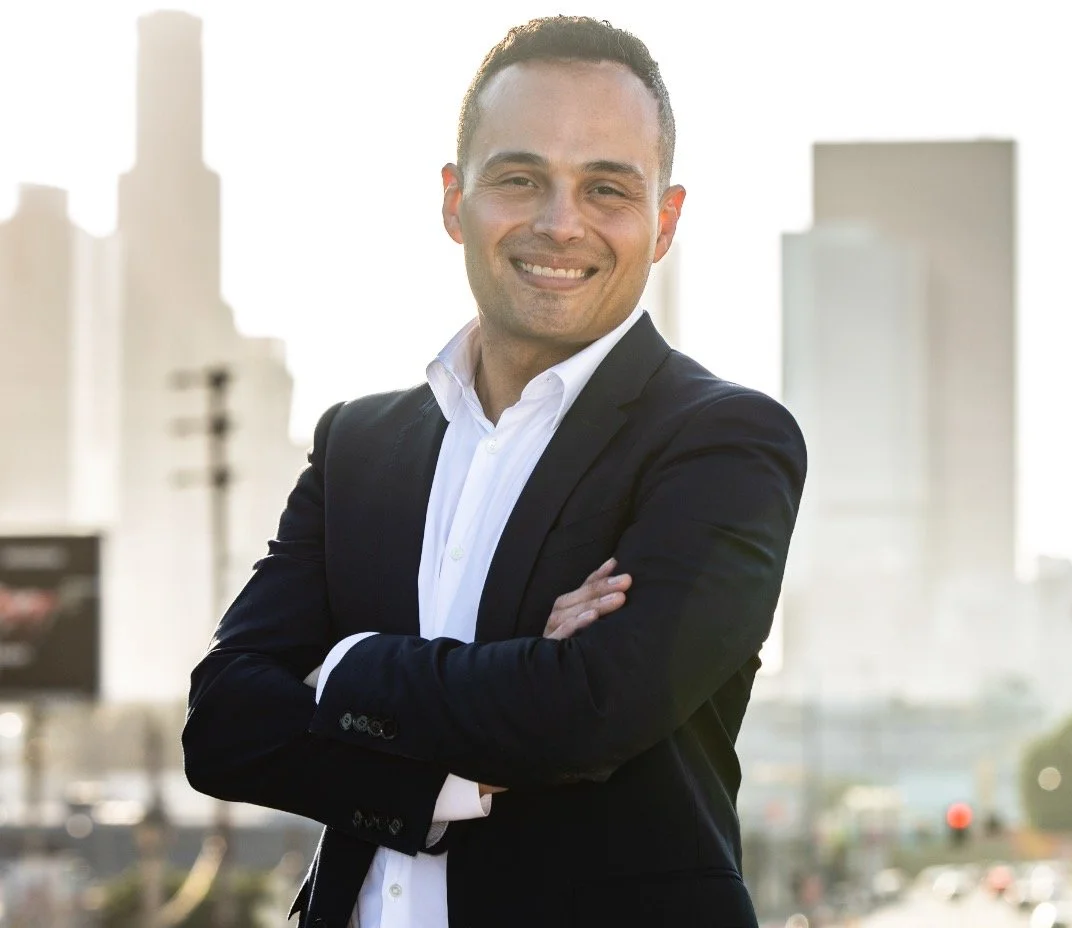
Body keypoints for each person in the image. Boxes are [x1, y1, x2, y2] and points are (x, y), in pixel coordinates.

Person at [183, 15, 806, 928]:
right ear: (453, 200)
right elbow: (224, 725)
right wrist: (455, 761)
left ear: (665, 221)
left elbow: (592, 709)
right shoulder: (359, 443)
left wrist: (344, 666)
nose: (561, 223)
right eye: (520, 179)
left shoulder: (725, 442)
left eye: (607, 189)